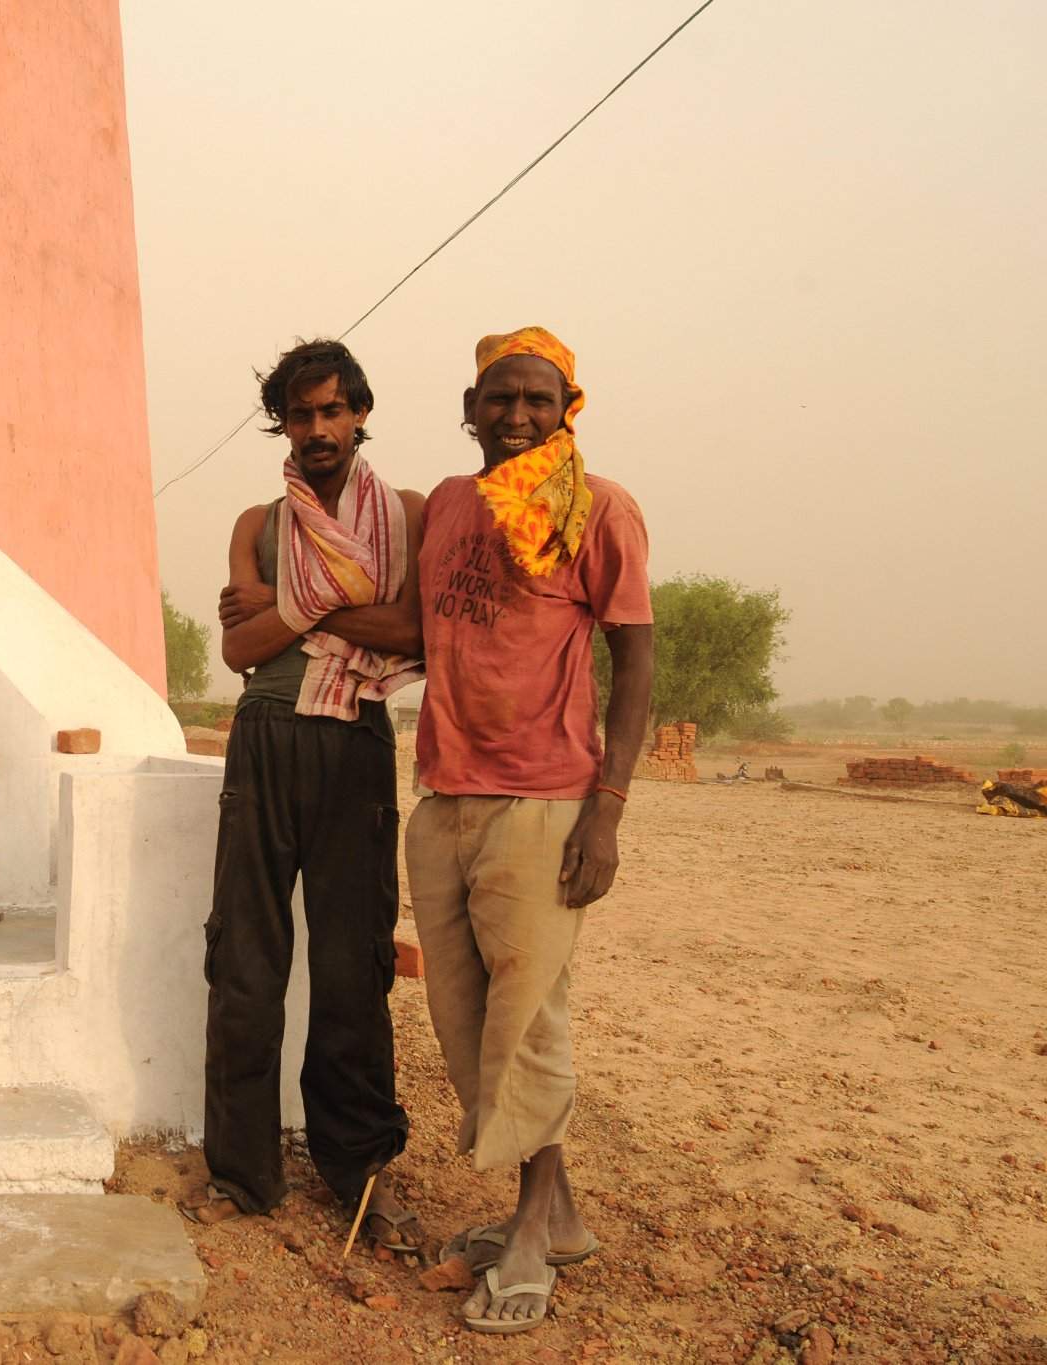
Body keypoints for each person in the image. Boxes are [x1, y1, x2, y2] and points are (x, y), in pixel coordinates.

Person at [407, 327, 653, 1335]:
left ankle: (524, 1235)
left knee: (529, 1022)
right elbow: (412, 627)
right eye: (496, 399)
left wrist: (607, 810)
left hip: (546, 799)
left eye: (535, 400)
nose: (514, 416)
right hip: (443, 795)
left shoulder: (601, 509)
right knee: (462, 1022)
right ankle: (556, 1215)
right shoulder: (446, 507)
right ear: (469, 408)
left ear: (567, 409)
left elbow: (634, 663)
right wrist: (278, 613)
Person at [189, 339, 426, 1249]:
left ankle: (358, 1171)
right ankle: (242, 1171)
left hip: (355, 745)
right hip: (266, 739)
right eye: (301, 413)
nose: (318, 428)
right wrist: (344, 607)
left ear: (360, 411)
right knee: (245, 961)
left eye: (333, 410)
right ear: (281, 423)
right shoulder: (257, 521)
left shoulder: (404, 514)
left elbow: (415, 631)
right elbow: (243, 655)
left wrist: (293, 604)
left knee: (353, 968)